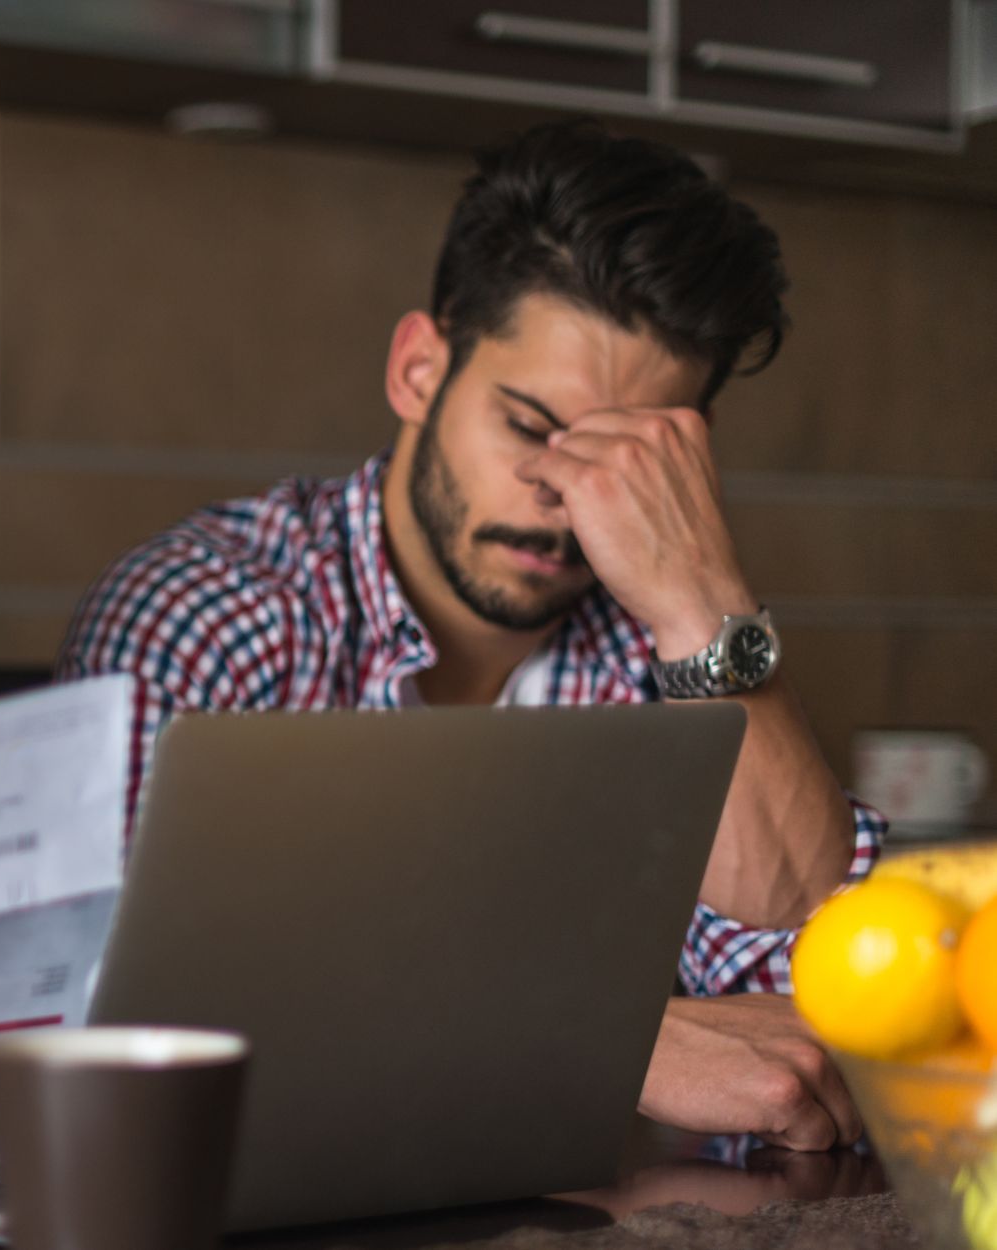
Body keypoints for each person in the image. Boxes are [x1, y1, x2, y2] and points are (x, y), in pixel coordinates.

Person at [60, 121, 882, 1153]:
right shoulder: (212, 613)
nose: (562, 496)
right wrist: (611, 1042)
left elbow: (847, 1019)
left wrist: (700, 600)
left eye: (626, 457)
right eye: (532, 427)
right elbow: (116, 1042)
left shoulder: (666, 651)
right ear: (417, 369)